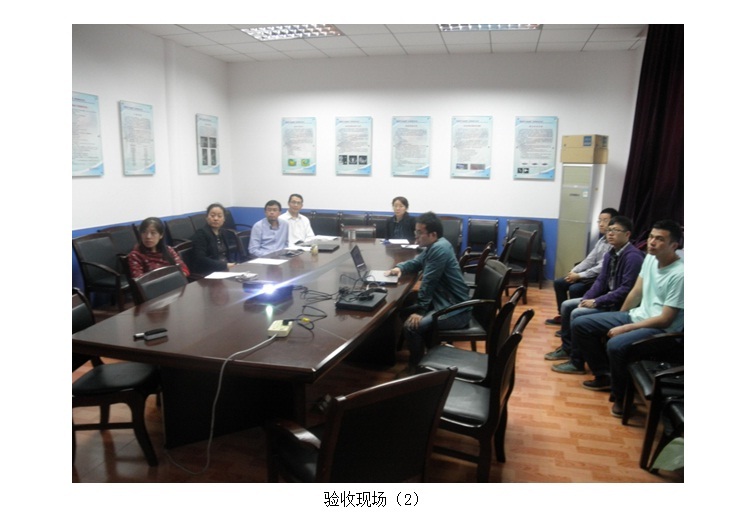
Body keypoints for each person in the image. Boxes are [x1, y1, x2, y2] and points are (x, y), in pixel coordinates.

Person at [570, 220, 684, 418]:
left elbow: (665, 320)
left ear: (674, 245)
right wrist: (620, 317)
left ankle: (621, 399)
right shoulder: (650, 258)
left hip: (662, 330)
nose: (652, 242)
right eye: (651, 237)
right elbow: (636, 292)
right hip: (637, 315)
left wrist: (626, 328)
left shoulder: (680, 275)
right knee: (581, 324)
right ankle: (605, 375)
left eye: (659, 239)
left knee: (616, 345)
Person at [548, 216, 644, 373]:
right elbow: (601, 281)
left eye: (616, 230)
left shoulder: (633, 257)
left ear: (627, 234)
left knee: (577, 313)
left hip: (619, 304)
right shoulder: (610, 253)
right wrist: (587, 298)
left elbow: (625, 290)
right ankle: (567, 348)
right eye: (609, 230)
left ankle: (577, 362)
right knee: (567, 305)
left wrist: (597, 302)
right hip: (607, 298)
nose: (610, 233)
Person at [386, 212, 471, 368]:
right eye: (415, 231)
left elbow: (429, 281)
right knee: (404, 312)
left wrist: (421, 311)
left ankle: (417, 367)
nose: (416, 236)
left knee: (411, 326)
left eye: (419, 233)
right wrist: (400, 268)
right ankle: (429, 351)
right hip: (442, 302)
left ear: (433, 234)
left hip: (456, 310)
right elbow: (417, 262)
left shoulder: (439, 249)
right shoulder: (435, 245)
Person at [546, 208, 619, 327]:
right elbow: (589, 260)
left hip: (598, 278)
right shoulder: (601, 240)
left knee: (575, 289)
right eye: (599, 220)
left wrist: (579, 275)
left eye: (605, 221)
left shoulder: (614, 243)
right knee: (559, 283)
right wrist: (573, 272)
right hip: (589, 275)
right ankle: (563, 317)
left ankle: (574, 322)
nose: (601, 224)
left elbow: (601, 268)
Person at [191, 203, 237, 274]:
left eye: (219, 216)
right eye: (212, 216)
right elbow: (201, 259)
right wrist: (225, 265)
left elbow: (226, 255)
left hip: (225, 269)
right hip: (209, 272)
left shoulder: (223, 232)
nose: (216, 219)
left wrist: (232, 264)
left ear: (224, 219)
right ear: (207, 217)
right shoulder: (201, 234)